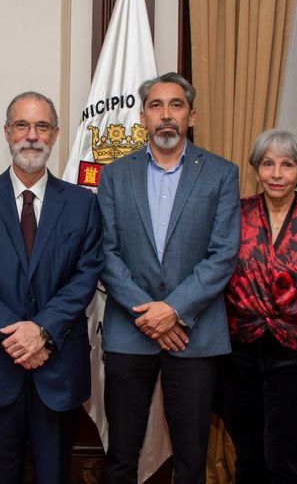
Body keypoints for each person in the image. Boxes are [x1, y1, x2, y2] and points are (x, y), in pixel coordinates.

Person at [97, 72, 241, 484]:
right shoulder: (114, 174)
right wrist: (150, 315)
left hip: (194, 335)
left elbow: (223, 253)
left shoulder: (220, 174)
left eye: (175, 105)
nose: (166, 115)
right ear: (143, 116)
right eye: (156, 106)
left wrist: (174, 310)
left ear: (191, 116)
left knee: (191, 459)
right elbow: (105, 252)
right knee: (121, 455)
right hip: (130, 330)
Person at [0, 91, 102, 484]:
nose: (31, 136)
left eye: (41, 126)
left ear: (55, 134)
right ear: (7, 132)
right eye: (22, 125)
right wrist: (15, 336)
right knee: (1, 472)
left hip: (58, 365)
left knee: (54, 473)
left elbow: (86, 274)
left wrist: (42, 331)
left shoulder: (82, 204)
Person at [223, 128, 297, 483]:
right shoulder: (236, 214)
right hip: (240, 351)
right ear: (256, 169)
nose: (276, 174)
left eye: (287, 165)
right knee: (248, 453)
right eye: (267, 164)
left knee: (285, 456)